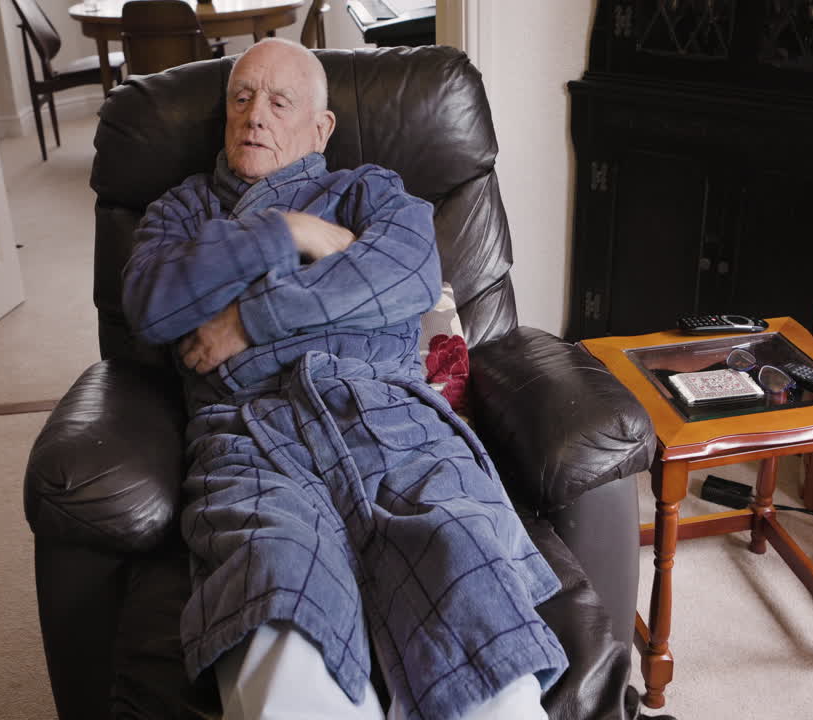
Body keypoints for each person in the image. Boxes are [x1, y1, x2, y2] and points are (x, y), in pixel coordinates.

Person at [122, 38, 566, 720]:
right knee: (273, 586)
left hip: (391, 419)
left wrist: (250, 317)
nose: (254, 117)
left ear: (320, 127)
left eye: (279, 101)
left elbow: (408, 274)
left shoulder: (369, 190)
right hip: (249, 438)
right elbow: (152, 304)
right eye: (241, 99)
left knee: (458, 557)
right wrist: (285, 230)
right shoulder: (182, 212)